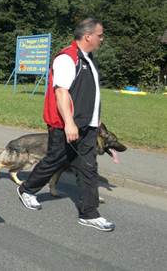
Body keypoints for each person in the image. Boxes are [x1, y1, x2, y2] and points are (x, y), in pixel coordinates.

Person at [16, 18, 115, 232]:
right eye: (100, 35)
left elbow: (89, 93)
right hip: (66, 126)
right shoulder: (67, 58)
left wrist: (95, 121)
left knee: (89, 168)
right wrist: (69, 123)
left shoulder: (88, 59)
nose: (102, 38)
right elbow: (61, 93)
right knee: (54, 160)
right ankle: (27, 189)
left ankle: (89, 214)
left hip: (87, 127)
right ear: (88, 36)